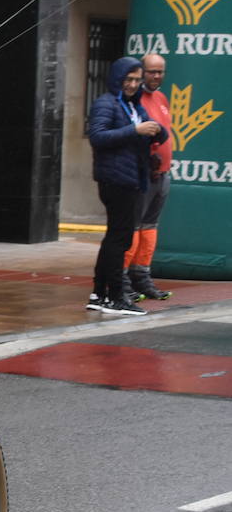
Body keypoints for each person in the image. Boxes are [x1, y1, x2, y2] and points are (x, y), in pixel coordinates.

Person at [86, 57, 167, 316]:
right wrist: (136, 131)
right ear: (117, 78)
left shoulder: (132, 105)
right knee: (120, 239)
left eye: (136, 80)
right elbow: (98, 136)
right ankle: (116, 296)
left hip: (133, 178)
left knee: (115, 237)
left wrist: (157, 131)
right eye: (128, 80)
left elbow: (152, 131)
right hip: (115, 179)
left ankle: (100, 294)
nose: (133, 85)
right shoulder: (106, 103)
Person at [123, 53, 174, 301]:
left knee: (149, 227)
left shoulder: (162, 98)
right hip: (143, 174)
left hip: (163, 174)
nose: (156, 76)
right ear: (142, 71)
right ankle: (122, 279)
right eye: (151, 71)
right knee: (133, 227)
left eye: (160, 71)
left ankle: (142, 277)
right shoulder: (134, 99)